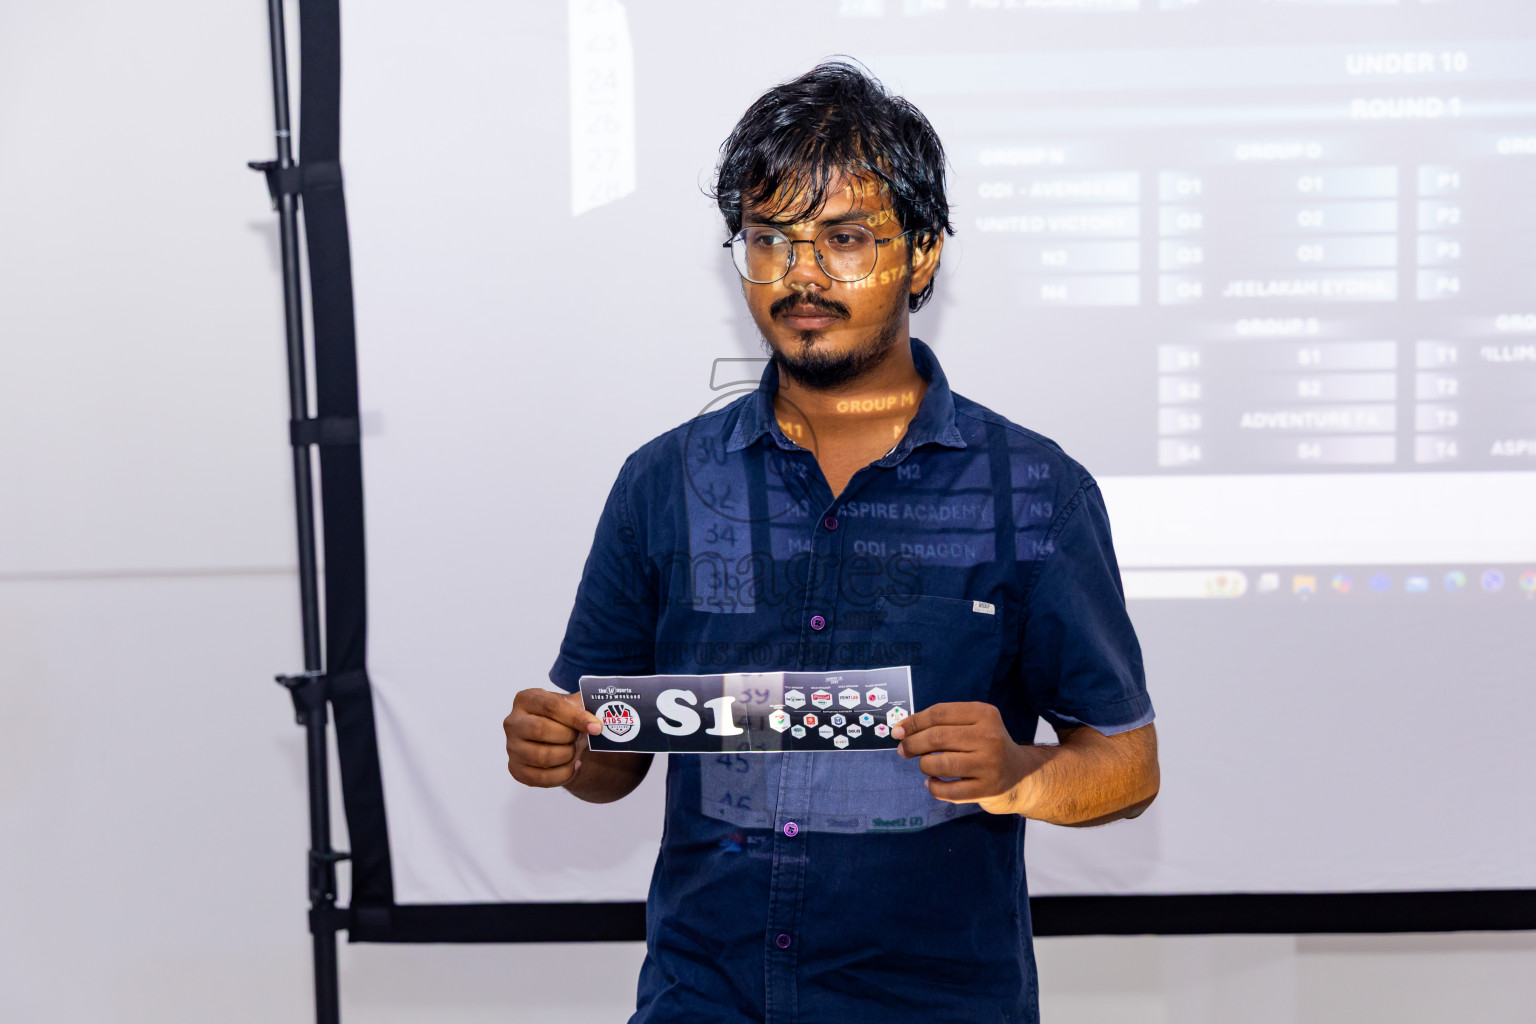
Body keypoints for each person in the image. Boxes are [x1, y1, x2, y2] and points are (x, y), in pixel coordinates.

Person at [504, 60, 1158, 1024]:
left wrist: (1024, 775)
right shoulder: (664, 482)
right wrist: (561, 750)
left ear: (924, 254)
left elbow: (1127, 768)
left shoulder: (1033, 489)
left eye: (845, 239)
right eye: (770, 240)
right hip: (701, 1000)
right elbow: (614, 761)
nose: (802, 276)